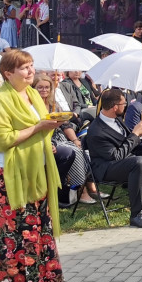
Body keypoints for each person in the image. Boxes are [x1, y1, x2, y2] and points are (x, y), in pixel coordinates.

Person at [0, 48, 64, 282]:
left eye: (31, 65)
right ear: (8, 73)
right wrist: (40, 129)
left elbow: (36, 129)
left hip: (32, 169)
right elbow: (5, 139)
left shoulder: (30, 94)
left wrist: (45, 142)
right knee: (12, 230)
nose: (30, 71)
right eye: (24, 67)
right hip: (8, 173)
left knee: (34, 226)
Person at [83, 88, 142, 228]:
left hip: (124, 161)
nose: (126, 106)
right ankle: (136, 215)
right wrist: (135, 134)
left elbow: (127, 146)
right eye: (124, 103)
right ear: (115, 107)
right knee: (138, 162)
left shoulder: (116, 119)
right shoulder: (97, 130)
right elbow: (116, 156)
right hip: (106, 168)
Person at [33, 74, 97, 206]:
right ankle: (78, 190)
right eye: (40, 88)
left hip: (59, 136)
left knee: (81, 149)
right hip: (44, 138)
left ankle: (82, 188)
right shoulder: (32, 106)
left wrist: (75, 140)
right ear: (33, 88)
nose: (44, 90)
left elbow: (65, 125)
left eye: (47, 87)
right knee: (74, 153)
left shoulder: (53, 104)